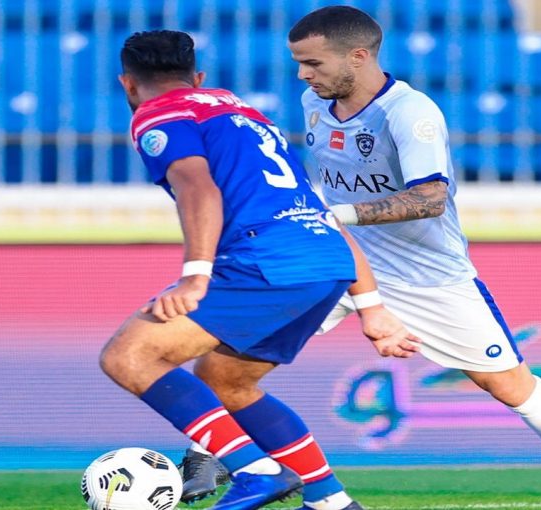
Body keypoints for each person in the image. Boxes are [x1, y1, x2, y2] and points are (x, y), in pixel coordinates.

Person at [183, 7, 541, 510]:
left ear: (358, 56)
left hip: (427, 278)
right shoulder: (315, 102)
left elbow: (430, 199)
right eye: (299, 63)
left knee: (511, 386)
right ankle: (210, 455)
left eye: (313, 63)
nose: (303, 75)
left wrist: (337, 215)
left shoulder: (410, 113)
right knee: (230, 354)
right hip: (337, 261)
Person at [101, 29, 419, 510]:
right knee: (225, 380)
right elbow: (311, 207)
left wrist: (195, 275)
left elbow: (197, 189)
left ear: (127, 83)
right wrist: (371, 306)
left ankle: (255, 473)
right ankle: (331, 501)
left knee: (129, 357)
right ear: (198, 77)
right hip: (326, 261)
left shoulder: (160, 113)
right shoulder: (244, 113)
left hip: (267, 261)